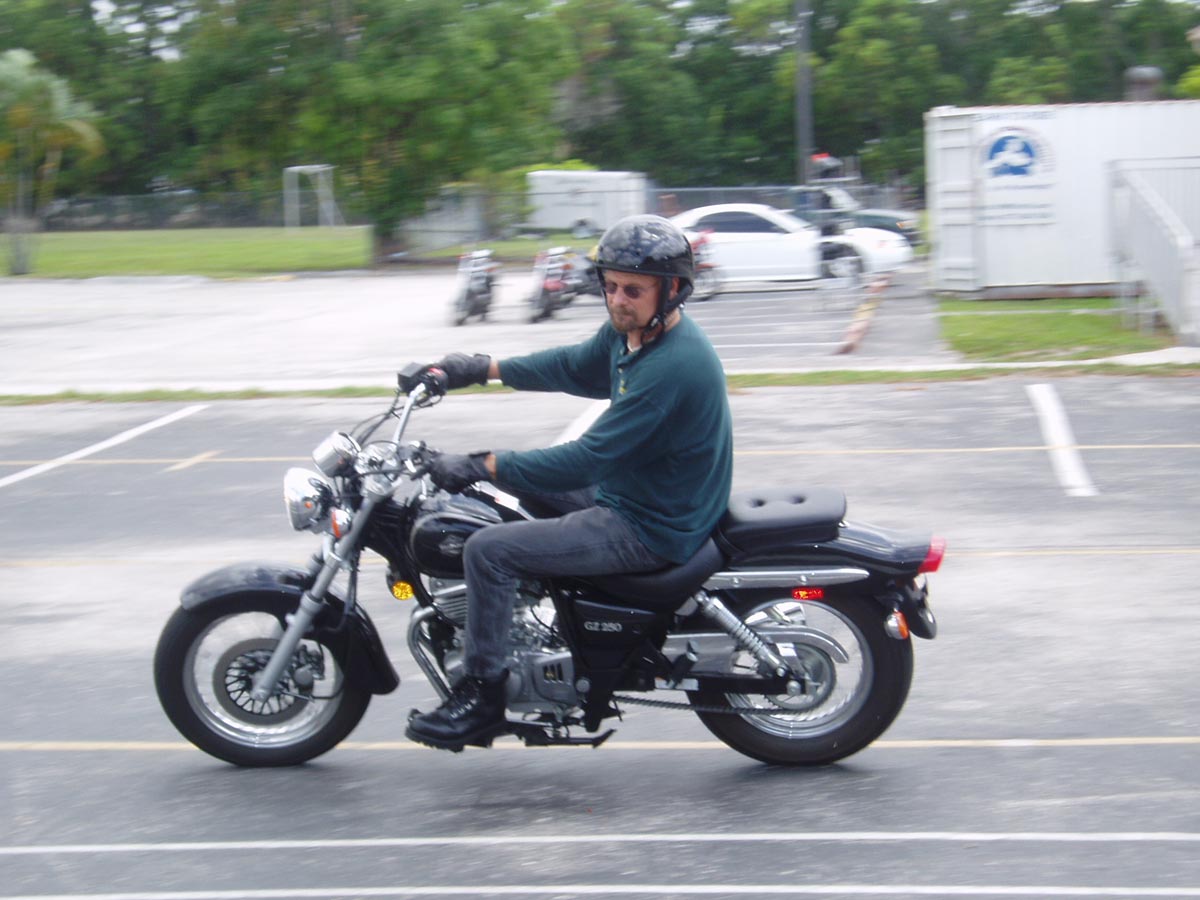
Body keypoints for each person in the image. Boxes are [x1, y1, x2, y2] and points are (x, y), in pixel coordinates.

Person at [405, 214, 734, 751]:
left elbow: (587, 460)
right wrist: (479, 368)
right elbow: (571, 365)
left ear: (672, 289)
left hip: (653, 524)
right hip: (646, 492)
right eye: (610, 286)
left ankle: (483, 696)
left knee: (489, 550)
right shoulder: (636, 333)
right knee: (514, 490)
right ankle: (547, 621)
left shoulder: (670, 367)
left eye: (633, 290)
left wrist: (482, 463)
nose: (618, 300)